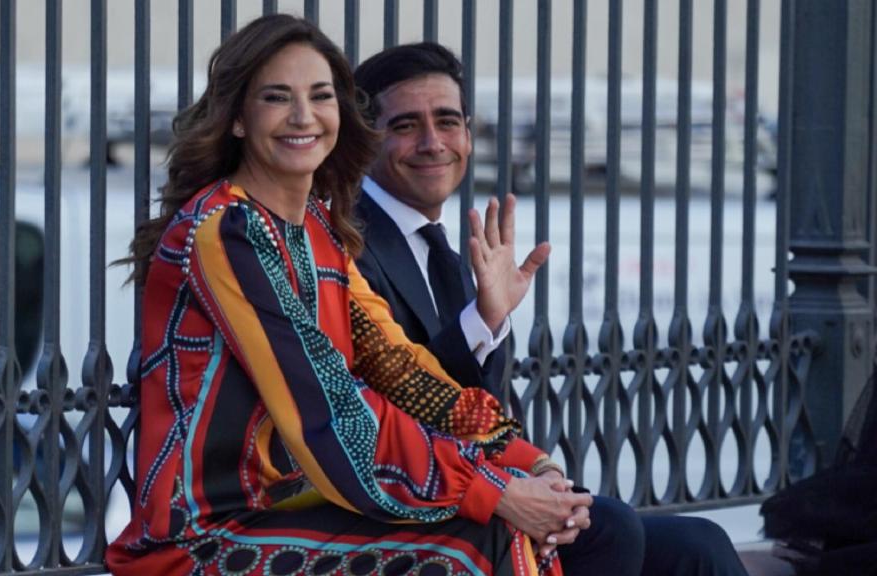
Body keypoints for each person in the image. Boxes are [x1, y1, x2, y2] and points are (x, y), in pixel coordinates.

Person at [107, 15, 594, 576]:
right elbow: (328, 405)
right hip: (202, 537)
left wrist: (530, 463)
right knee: (476, 542)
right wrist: (493, 491)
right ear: (238, 119)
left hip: (294, 511)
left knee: (526, 529)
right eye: (276, 97)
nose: (303, 116)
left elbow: (403, 373)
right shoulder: (226, 229)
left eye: (320, 96)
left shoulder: (319, 231)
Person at [353, 41, 750, 576]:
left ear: (469, 134)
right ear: (364, 139)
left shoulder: (445, 243)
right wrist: (484, 321)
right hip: (406, 504)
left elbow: (476, 407)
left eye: (448, 121)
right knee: (609, 528)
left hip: (483, 481)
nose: (432, 143)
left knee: (697, 545)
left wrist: (538, 473)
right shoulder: (349, 243)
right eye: (405, 126)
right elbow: (394, 405)